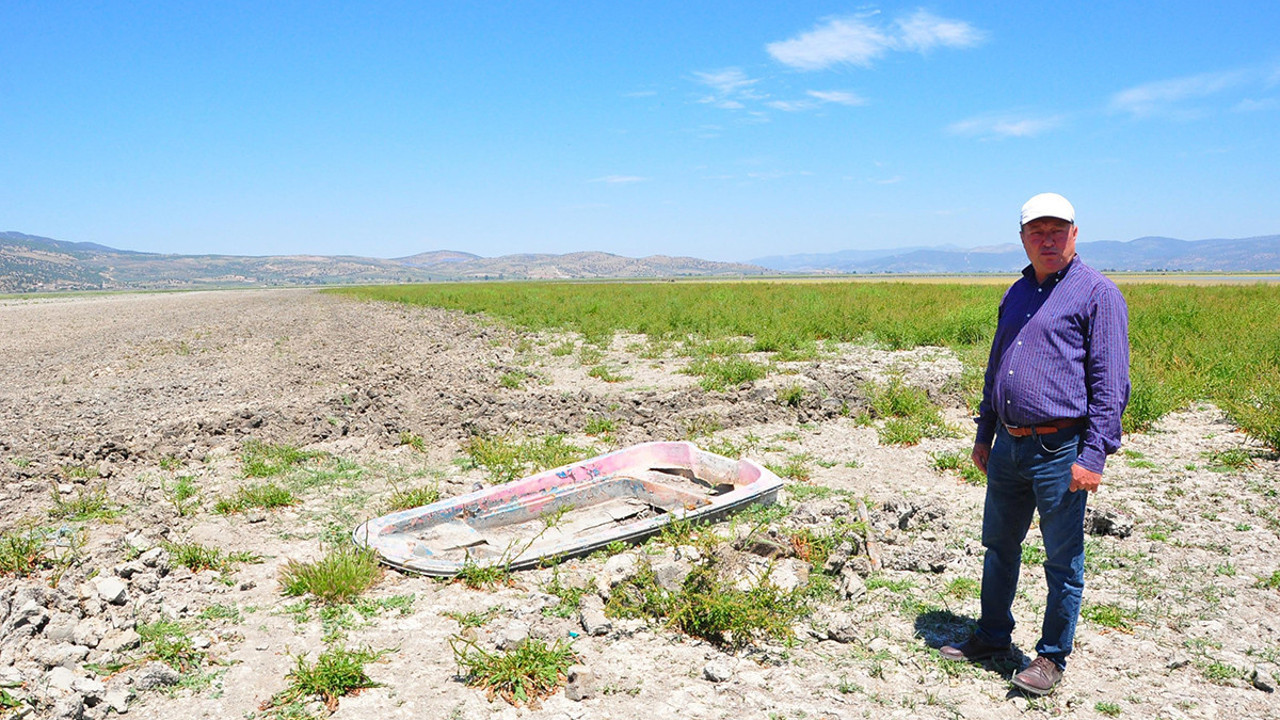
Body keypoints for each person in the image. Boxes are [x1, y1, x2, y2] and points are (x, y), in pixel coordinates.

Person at [939, 192, 1130, 696]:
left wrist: (1094, 455)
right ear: (1022, 239)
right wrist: (985, 432)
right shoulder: (1018, 291)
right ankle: (992, 636)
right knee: (999, 545)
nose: (1047, 240)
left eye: (1057, 231)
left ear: (1075, 234)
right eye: (1036, 232)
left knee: (1062, 559)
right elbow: (997, 365)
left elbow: (1111, 383)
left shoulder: (1098, 294)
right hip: (1008, 445)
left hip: (1060, 450)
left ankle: (1051, 657)